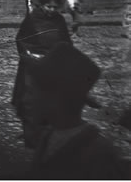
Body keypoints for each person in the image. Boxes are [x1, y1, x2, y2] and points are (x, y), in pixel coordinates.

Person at [28, 42, 127, 179]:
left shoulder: (99, 153)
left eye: (33, 92)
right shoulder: (47, 137)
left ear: (55, 98)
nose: (27, 99)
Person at [11, 0, 72, 149]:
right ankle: (31, 137)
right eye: (48, 7)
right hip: (33, 67)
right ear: (42, 5)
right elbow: (21, 40)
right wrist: (30, 55)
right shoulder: (32, 19)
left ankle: (48, 135)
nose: (51, 10)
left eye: (54, 7)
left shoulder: (59, 20)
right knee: (30, 102)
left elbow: (66, 41)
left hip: (53, 67)